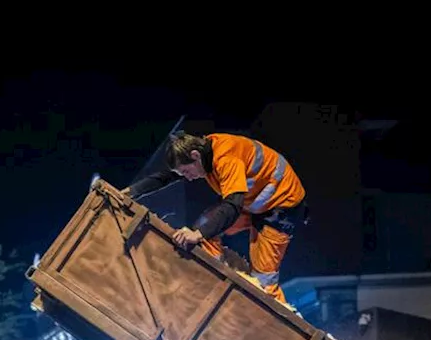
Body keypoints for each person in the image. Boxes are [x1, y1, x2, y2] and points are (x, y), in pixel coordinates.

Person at [122, 131, 306, 307]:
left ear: (195, 156)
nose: (189, 178)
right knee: (205, 228)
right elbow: (165, 177)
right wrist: (132, 192)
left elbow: (233, 206)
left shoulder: (226, 158)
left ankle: (286, 330)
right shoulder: (202, 152)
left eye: (186, 172)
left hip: (280, 208)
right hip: (252, 202)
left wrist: (198, 235)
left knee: (263, 282)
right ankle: (214, 282)